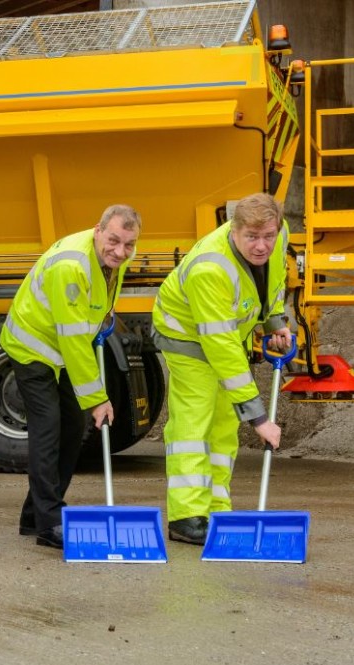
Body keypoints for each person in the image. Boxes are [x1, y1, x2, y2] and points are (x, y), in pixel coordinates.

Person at [0, 205, 141, 550]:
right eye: (114, 241)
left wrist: (104, 319)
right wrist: (97, 399)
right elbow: (74, 339)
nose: (120, 251)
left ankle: (34, 515)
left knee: (72, 428)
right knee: (48, 428)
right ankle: (49, 523)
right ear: (98, 230)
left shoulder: (112, 260)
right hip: (33, 346)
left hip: (61, 350)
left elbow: (95, 309)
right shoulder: (71, 266)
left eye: (128, 244)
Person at [152, 192, 291, 545]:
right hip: (188, 339)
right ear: (234, 229)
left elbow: (273, 280)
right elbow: (222, 348)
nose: (262, 246)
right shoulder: (210, 269)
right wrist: (259, 418)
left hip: (228, 332)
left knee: (224, 428)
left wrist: (275, 322)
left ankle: (215, 507)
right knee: (193, 425)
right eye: (252, 238)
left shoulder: (280, 232)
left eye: (268, 237)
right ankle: (186, 517)